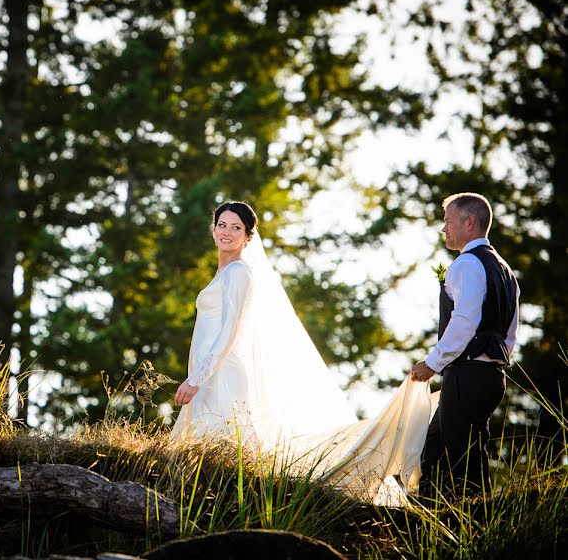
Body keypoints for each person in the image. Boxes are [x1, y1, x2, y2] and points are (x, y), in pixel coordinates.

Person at [171, 201, 434, 505]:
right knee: (210, 449)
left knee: (222, 448)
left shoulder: (240, 272)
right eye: (222, 225)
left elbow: (229, 332)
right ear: (213, 228)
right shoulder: (225, 272)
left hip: (223, 373)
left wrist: (197, 378)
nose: (227, 232)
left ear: (248, 236)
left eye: (236, 227)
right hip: (209, 372)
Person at [411, 192, 520, 497]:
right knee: (434, 447)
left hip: (467, 375)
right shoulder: (505, 271)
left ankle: (468, 529)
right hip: (492, 376)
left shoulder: (467, 264)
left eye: (448, 222)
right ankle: (432, 519)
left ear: (469, 222)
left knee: (460, 460)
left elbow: (464, 321)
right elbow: (510, 331)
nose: (444, 229)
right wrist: (494, 360)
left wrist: (432, 363)